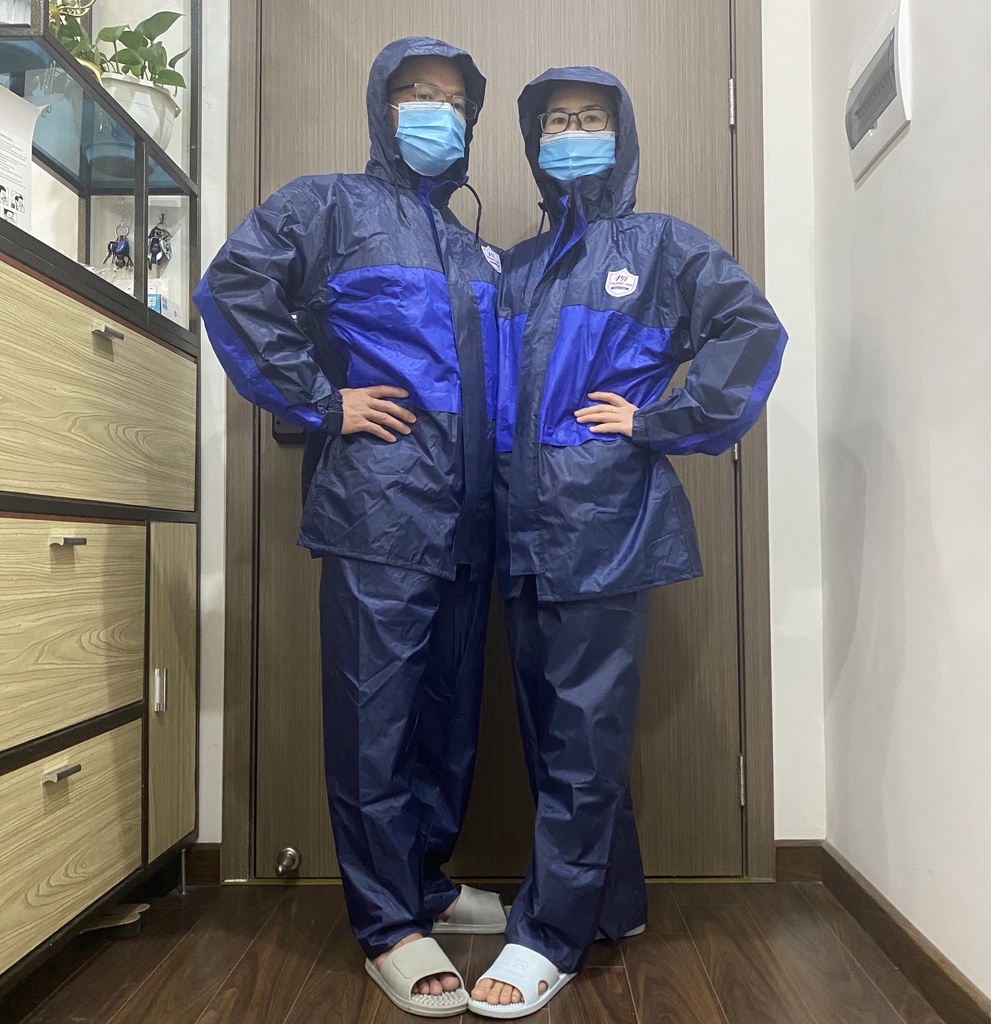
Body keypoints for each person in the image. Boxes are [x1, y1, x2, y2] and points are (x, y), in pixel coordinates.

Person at [195, 37, 506, 1019]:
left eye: (452, 99)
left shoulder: (475, 248)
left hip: (471, 518)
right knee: (376, 722)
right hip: (379, 510)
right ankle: (386, 926)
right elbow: (231, 289)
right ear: (382, 105)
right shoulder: (327, 206)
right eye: (415, 92)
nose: (435, 110)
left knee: (449, 720)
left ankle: (426, 884)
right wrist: (323, 400)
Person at [468, 67, 788, 1018]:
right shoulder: (518, 267)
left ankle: (549, 934)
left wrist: (660, 419)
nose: (573, 132)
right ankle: (612, 902)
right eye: (557, 120)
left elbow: (751, 329)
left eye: (591, 118)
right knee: (553, 729)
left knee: (582, 732)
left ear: (621, 132)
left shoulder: (661, 246)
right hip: (521, 527)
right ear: (534, 141)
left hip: (604, 523)